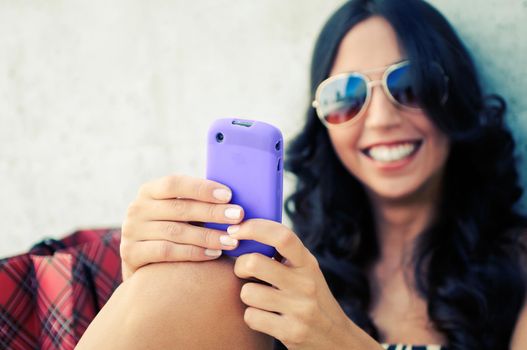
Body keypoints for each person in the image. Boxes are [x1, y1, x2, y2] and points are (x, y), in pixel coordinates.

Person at [76, 0, 527, 349]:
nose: (382, 119)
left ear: (457, 95)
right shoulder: (293, 265)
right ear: (323, 124)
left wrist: (343, 342)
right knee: (195, 278)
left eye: (410, 85)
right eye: (345, 96)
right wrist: (144, 284)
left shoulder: (518, 267)